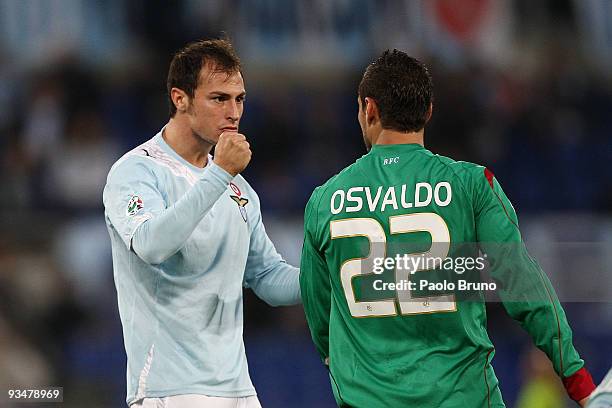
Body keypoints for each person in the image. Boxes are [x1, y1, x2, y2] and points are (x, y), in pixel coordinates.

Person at [299, 49, 595, 407]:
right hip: (462, 397)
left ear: (368, 109)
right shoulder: (471, 184)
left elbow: (320, 315)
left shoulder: (324, 200)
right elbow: (522, 283)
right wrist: (576, 378)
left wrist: (344, 363)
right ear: (428, 112)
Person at [103, 39, 300, 408]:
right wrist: (220, 173)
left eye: (239, 99)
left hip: (239, 389)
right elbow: (151, 244)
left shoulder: (239, 188)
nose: (234, 112)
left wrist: (332, 274)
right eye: (219, 98)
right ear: (180, 98)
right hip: (171, 389)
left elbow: (268, 278)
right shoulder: (136, 171)